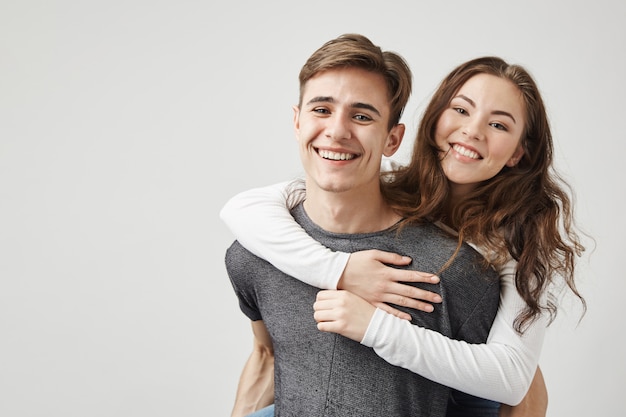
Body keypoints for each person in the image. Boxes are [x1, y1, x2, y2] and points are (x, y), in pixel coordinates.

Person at [222, 52, 587, 415]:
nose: (473, 131)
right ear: (434, 119)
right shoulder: (392, 187)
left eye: (499, 125)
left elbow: (513, 380)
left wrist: (375, 326)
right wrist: (339, 271)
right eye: (461, 110)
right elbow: (242, 209)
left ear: (518, 153)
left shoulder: (519, 244)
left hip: (476, 386)